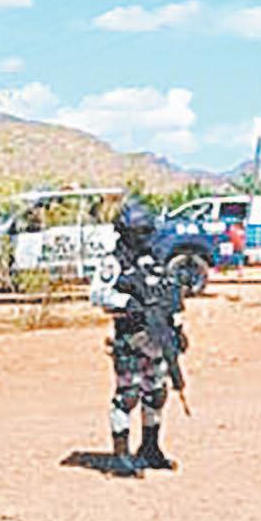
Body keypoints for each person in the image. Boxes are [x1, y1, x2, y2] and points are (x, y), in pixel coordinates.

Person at [89, 198, 187, 478]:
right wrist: (126, 302)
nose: (146, 237)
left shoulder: (152, 259)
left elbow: (167, 294)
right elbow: (97, 293)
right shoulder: (113, 261)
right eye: (140, 231)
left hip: (157, 339)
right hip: (131, 338)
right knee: (128, 396)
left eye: (147, 231)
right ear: (127, 232)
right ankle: (121, 456)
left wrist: (177, 328)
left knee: (156, 394)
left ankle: (150, 449)